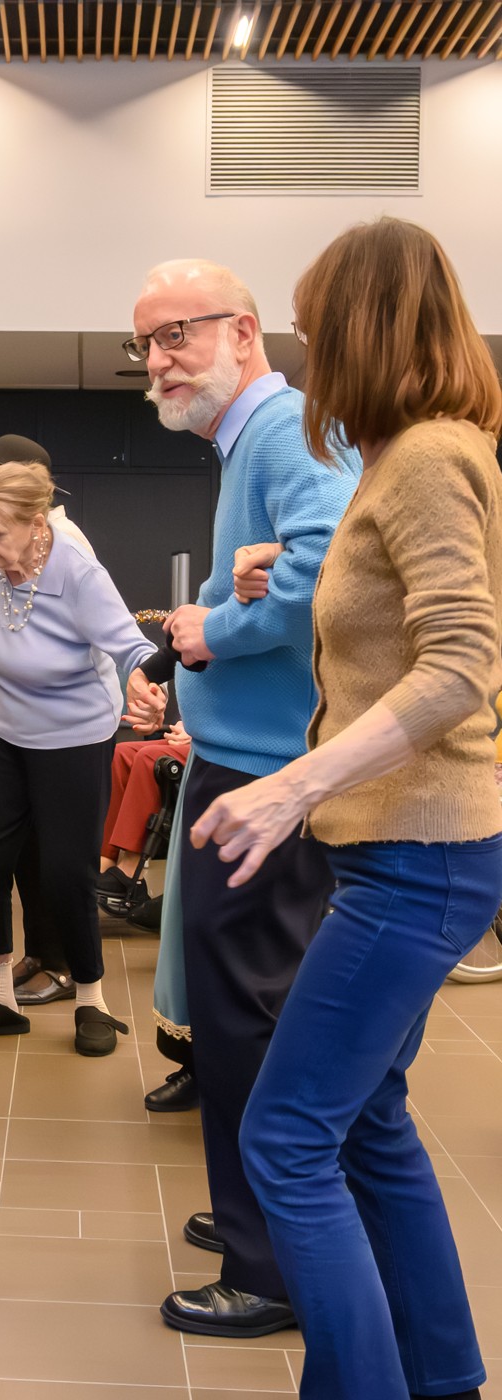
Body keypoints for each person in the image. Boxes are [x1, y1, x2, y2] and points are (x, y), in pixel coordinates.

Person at [190, 219, 502, 1400]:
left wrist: (295, 781)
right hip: (410, 851)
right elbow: (395, 613)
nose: (308, 361)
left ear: (367, 332)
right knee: (367, 1119)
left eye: (318, 335)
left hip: (417, 855)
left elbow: (460, 660)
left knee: (285, 1138)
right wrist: (292, 572)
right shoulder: (417, 456)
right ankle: (442, 1377)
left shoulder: (424, 456)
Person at [125, 259, 360, 1337]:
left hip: (270, 776)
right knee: (237, 1018)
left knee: (244, 1022)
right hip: (251, 759)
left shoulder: (280, 430)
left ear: (247, 332)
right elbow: (271, 579)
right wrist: (197, 628)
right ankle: (254, 1217)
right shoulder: (249, 440)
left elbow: (323, 572)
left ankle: (270, 1267)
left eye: (179, 333)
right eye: (147, 342)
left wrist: (213, 628)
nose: (159, 359)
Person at [0, 460, 155, 1056]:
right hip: (9, 732)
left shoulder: (77, 571)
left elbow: (130, 644)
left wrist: (144, 683)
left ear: (35, 523)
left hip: (74, 739)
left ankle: (92, 1001)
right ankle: (0, 998)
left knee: (66, 875)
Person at [98, 723, 191, 894]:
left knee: (150, 758)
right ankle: (105, 860)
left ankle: (131, 872)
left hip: (229, 744)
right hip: (201, 733)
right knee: (121, 753)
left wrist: (199, 730)